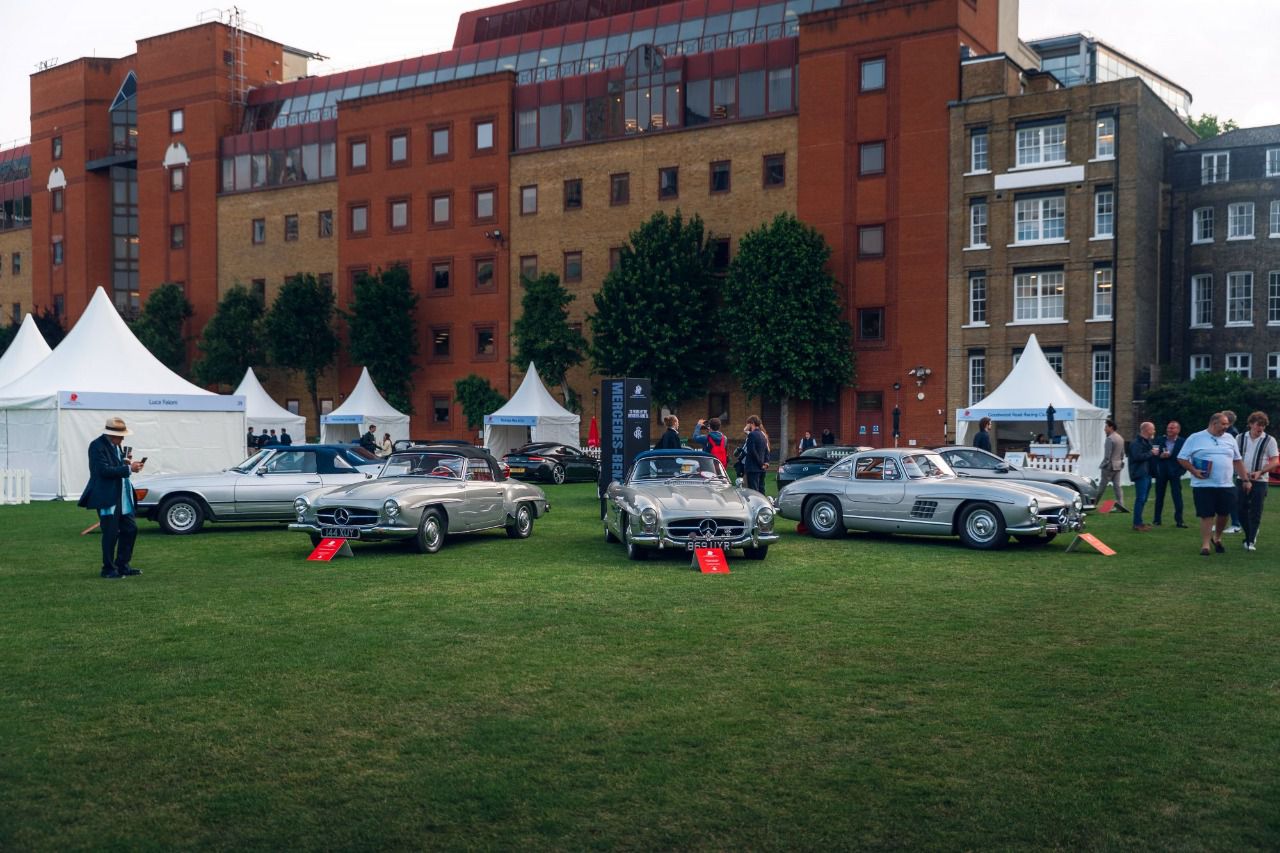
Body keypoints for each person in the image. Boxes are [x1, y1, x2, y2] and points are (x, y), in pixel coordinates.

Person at [77, 417, 145, 579]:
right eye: (121, 436)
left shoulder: (115, 445)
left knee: (130, 529)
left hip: (121, 495)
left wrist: (126, 462)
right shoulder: (96, 446)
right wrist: (128, 468)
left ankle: (123, 565)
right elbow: (103, 471)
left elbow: (115, 466)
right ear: (111, 434)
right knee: (111, 533)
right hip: (107, 495)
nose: (123, 439)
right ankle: (108, 569)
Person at [1178, 412, 1250, 556]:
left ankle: (1217, 537)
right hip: (1203, 485)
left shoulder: (1230, 438)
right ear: (1213, 423)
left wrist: (1246, 479)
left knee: (1224, 514)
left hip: (1226, 484)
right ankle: (1205, 545)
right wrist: (1193, 470)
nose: (1226, 427)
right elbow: (1182, 458)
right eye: (1223, 424)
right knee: (1206, 514)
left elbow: (1237, 460)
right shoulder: (1195, 438)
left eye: (1227, 424)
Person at [1235, 411, 1278, 552]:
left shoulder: (1269, 440)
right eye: (1258, 425)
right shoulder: (1240, 438)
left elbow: (1275, 460)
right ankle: (1250, 533)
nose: (1261, 428)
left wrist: (1261, 471)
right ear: (1250, 424)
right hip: (1241, 478)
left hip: (1260, 480)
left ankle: (1250, 540)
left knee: (1256, 510)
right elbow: (1234, 458)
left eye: (1263, 426)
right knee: (1239, 509)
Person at [1152, 420, 1186, 527]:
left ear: (1178, 430)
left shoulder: (1182, 442)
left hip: (1175, 472)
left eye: (1172, 428)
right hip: (1161, 472)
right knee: (1159, 497)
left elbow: (1185, 457)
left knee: (1177, 497)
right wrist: (1160, 456)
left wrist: (1181, 471)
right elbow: (1154, 453)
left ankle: (1179, 521)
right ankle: (1157, 520)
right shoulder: (1159, 439)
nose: (1169, 430)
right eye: (1168, 428)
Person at [1128, 421, 1156, 531]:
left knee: (1143, 499)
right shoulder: (1136, 443)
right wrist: (1151, 453)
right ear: (1147, 430)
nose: (1154, 431)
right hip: (1140, 474)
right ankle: (1137, 523)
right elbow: (1137, 457)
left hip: (1147, 473)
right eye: (1152, 429)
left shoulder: (1147, 442)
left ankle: (1139, 521)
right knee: (1140, 498)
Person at [1100, 419, 1127, 512]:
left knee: (1102, 486)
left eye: (1106, 427)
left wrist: (1103, 465)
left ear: (1111, 427)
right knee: (1117, 486)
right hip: (1118, 465)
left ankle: (1093, 504)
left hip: (1109, 466)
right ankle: (1121, 505)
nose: (1104, 429)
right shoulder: (1120, 438)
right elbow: (1122, 454)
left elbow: (1107, 456)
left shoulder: (1109, 439)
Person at [1223, 410, 1243, 533]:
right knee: (1223, 497)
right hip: (1228, 470)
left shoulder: (1233, 434)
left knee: (1232, 497)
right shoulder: (1228, 432)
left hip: (1232, 471)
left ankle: (1236, 524)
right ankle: (1225, 522)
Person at [743, 415, 769, 493]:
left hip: (753, 467)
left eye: (749, 424)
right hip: (762, 468)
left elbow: (752, 451)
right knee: (761, 490)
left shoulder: (752, 435)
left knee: (753, 491)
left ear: (752, 423)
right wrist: (766, 463)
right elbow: (766, 450)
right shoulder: (763, 435)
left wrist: (760, 463)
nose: (748, 426)